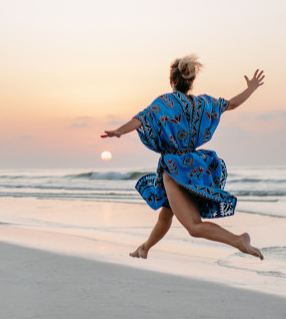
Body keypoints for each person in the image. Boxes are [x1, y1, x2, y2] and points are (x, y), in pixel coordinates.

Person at [101, 55, 265, 261]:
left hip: (174, 168)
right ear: (191, 81)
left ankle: (238, 240)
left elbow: (142, 119)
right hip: (194, 166)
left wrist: (119, 131)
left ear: (171, 80)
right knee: (165, 216)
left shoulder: (165, 102)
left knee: (194, 226)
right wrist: (251, 89)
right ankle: (144, 248)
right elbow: (231, 104)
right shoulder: (203, 103)